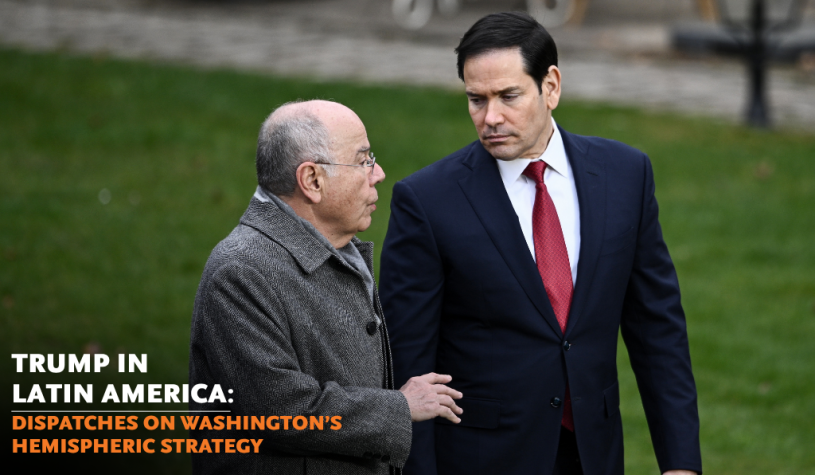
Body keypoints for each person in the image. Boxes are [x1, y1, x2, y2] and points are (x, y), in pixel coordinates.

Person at [379, 12, 701, 475]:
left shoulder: (626, 175)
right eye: (476, 99)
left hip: (594, 453)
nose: (490, 117)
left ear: (551, 86)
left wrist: (681, 463)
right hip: (483, 459)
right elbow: (408, 361)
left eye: (508, 96)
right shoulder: (427, 201)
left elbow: (658, 330)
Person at [189, 100, 463, 475]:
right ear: (313, 181)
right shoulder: (240, 271)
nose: (379, 173)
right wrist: (399, 407)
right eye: (364, 161)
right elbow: (281, 410)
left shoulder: (336, 249)